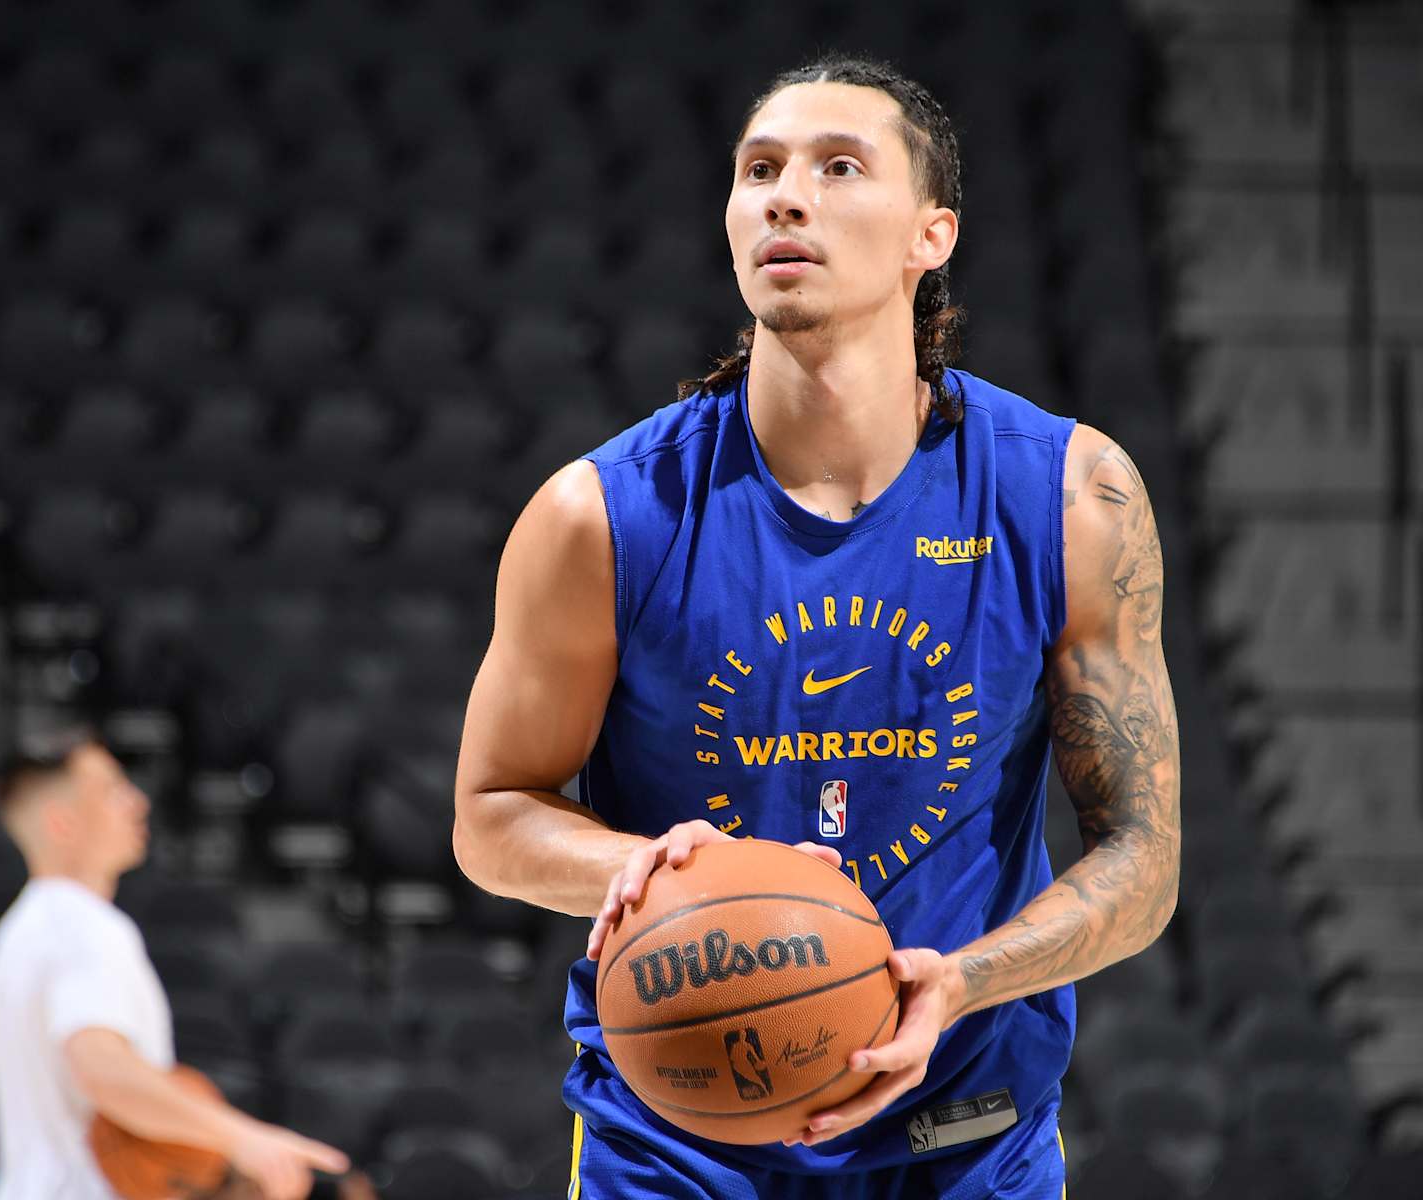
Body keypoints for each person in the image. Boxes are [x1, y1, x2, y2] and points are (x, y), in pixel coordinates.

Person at [453, 52, 1180, 1199]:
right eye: (760, 171)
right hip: (681, 1138)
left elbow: (1144, 855)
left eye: (840, 167)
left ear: (931, 235)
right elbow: (490, 814)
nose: (786, 196)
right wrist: (650, 872)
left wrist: (965, 979)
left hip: (961, 1129)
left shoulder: (1070, 497)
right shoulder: (600, 515)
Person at [0, 732, 348, 1200]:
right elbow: (101, 1067)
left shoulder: (21, 928)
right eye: (112, 790)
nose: (138, 802)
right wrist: (240, 1138)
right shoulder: (83, 926)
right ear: (62, 823)